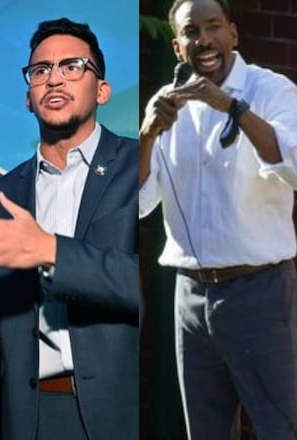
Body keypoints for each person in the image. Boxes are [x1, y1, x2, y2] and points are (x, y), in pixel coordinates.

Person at [139, 0, 297, 437]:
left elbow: (293, 166)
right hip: (189, 295)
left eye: (213, 27)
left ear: (234, 34)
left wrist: (233, 108)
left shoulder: (272, 90)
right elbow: (136, 202)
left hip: (259, 292)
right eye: (192, 31)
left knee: (279, 429)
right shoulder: (165, 103)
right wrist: (147, 134)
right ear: (177, 46)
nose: (203, 40)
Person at [0, 18, 140, 439]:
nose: (54, 79)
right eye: (40, 71)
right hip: (29, 416)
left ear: (102, 90)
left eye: (72, 66)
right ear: (28, 99)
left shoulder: (140, 169)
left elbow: (155, 285)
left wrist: (52, 251)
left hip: (122, 414)